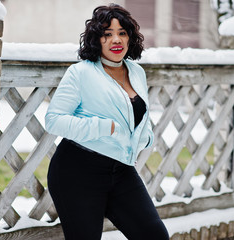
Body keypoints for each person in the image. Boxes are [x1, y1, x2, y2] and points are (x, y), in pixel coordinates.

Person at [45, 4, 169, 240]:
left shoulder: (136, 71)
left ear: (130, 37)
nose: (116, 39)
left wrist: (147, 136)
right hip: (77, 171)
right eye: (107, 33)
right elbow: (53, 120)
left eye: (122, 32)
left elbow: (138, 113)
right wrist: (104, 127)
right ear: (96, 39)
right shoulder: (81, 72)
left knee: (154, 235)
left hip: (121, 170)